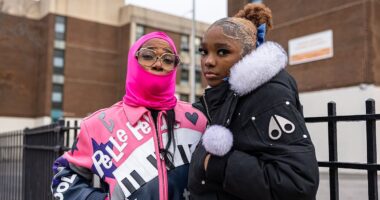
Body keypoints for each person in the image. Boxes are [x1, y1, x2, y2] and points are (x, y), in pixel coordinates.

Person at [51, 32, 207, 200]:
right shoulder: (98, 125)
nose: (158, 64)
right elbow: (64, 180)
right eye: (148, 56)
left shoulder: (197, 120)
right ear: (133, 60)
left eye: (168, 60)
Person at [188, 3, 319, 200]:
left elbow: (298, 183)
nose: (208, 61)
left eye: (222, 52)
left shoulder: (268, 95)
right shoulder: (225, 95)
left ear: (249, 55)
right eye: (203, 51)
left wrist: (217, 165)